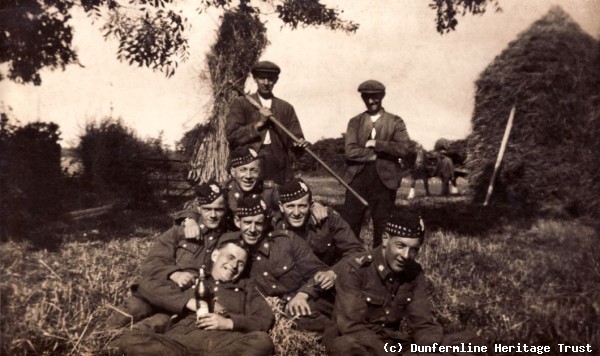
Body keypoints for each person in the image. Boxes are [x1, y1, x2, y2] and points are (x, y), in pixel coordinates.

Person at [324, 211, 480, 356]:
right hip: (363, 343)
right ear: (385, 239)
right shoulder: (355, 269)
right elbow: (352, 327)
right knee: (345, 346)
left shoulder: (414, 272)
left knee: (470, 342)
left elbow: (423, 322)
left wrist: (428, 350)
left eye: (414, 250)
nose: (406, 255)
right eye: (401, 246)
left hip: (395, 344)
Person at [113, 236, 275, 356]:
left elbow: (264, 318)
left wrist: (229, 323)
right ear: (215, 256)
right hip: (178, 344)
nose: (233, 266)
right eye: (230, 257)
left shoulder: (246, 287)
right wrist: (189, 302)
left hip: (224, 344)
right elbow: (145, 286)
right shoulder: (192, 278)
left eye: (241, 263)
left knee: (262, 341)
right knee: (129, 340)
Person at [107, 180, 226, 328]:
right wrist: (174, 274)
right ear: (199, 208)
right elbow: (152, 263)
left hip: (189, 298)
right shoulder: (180, 232)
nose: (213, 215)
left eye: (219, 209)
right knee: (133, 308)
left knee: (159, 323)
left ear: (225, 209)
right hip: (162, 289)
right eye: (208, 209)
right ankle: (95, 340)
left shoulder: (228, 238)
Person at [224, 195, 335, 332]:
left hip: (309, 302)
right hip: (273, 315)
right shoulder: (228, 248)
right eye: (247, 222)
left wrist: (303, 294)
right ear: (237, 221)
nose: (252, 229)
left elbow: (320, 272)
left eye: (258, 223)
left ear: (265, 224)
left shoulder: (286, 241)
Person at [177, 147, 327, 236]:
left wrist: (314, 205)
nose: (248, 176)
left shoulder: (268, 190)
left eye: (253, 170)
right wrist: (189, 220)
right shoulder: (223, 190)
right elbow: (196, 205)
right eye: (243, 170)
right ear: (233, 172)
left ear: (260, 172)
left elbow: (293, 198)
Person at [341, 80, 413, 248]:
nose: (371, 101)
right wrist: (375, 156)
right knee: (350, 224)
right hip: (356, 180)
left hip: (385, 181)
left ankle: (379, 263)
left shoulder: (395, 121)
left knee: (382, 226)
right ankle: (349, 260)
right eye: (366, 97)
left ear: (382, 96)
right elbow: (350, 151)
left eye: (375, 97)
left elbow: (404, 149)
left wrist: (377, 144)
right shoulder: (355, 122)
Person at [225, 60, 308, 184]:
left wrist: (298, 143)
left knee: (275, 199)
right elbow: (232, 135)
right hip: (248, 162)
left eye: (270, 79)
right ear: (255, 79)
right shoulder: (241, 103)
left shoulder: (286, 107)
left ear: (276, 80)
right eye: (261, 78)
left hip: (278, 164)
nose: (266, 83)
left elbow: (296, 138)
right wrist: (259, 123)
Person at [272, 178, 365, 269]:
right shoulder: (273, 224)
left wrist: (333, 273)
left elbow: (356, 250)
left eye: (302, 206)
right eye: (290, 206)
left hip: (327, 277)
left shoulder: (327, 219)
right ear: (281, 207)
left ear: (310, 204)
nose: (296, 213)